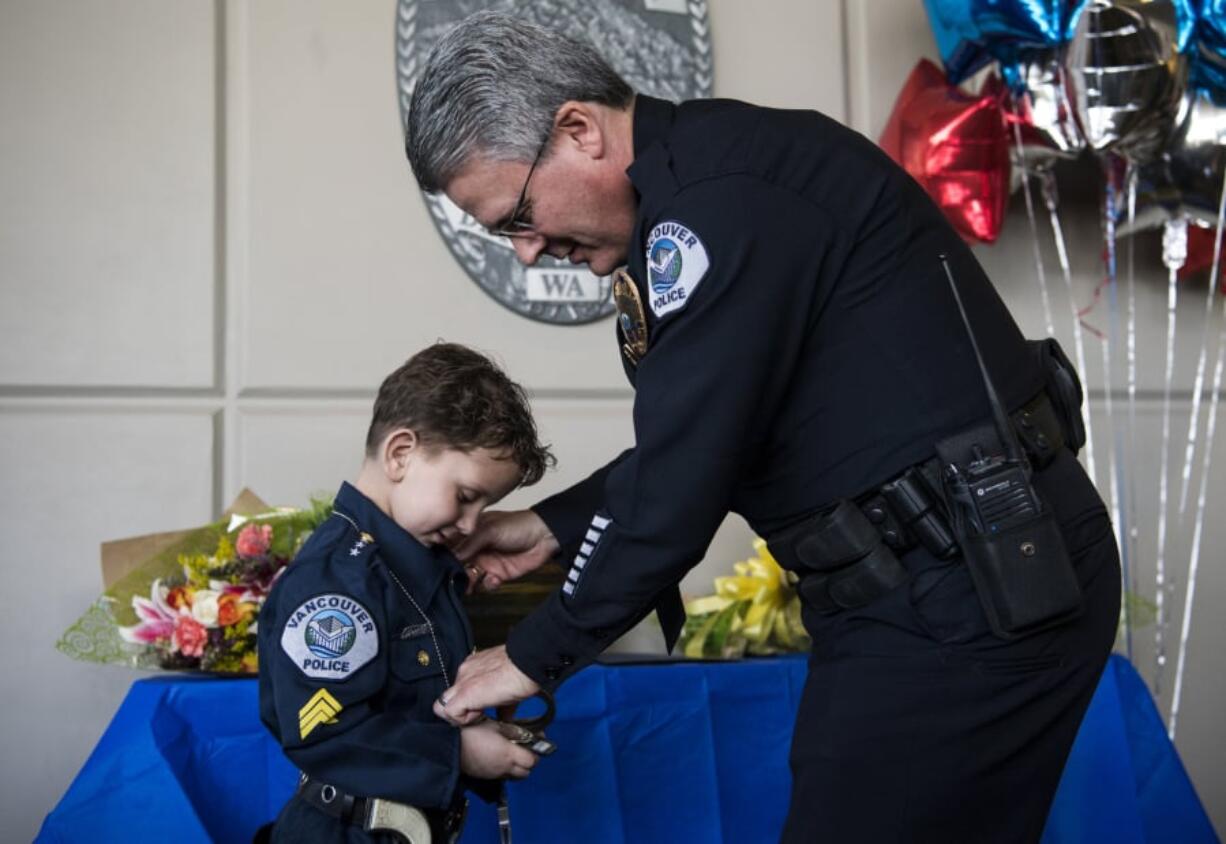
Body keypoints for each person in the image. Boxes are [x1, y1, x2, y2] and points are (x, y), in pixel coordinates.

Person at [405, 12, 1120, 842]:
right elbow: (716, 431)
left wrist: (531, 655)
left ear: (579, 129)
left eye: (518, 217)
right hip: (931, 581)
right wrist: (547, 524)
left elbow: (688, 474)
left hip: (974, 583)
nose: (526, 252)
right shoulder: (698, 185)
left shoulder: (718, 203)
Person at [256, 342, 555, 842]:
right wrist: (458, 753)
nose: (470, 524)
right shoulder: (339, 584)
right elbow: (323, 733)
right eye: (464, 497)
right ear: (400, 454)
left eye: (484, 507)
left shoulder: (422, 567)